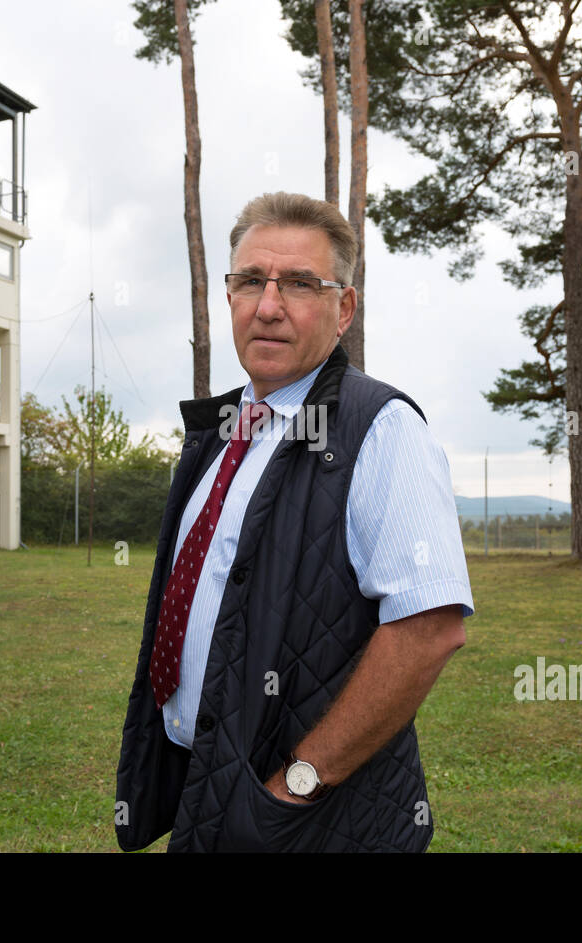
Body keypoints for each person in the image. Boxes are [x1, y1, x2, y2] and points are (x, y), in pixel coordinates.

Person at [114, 191, 474, 852]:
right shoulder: (222, 433)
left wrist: (299, 781)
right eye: (251, 280)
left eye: (301, 284)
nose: (269, 305)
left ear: (344, 308)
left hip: (309, 818)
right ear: (229, 297)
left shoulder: (381, 430)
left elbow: (429, 628)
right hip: (207, 782)